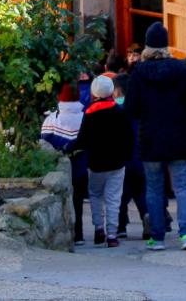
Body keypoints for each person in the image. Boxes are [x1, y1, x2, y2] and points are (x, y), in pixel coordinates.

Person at [125, 22, 186, 251]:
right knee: (182, 187)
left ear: (148, 45)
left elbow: (131, 109)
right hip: (180, 137)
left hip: (150, 138)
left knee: (154, 188)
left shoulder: (138, 73)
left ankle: (157, 237)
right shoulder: (183, 70)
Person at [72, 75, 133, 248]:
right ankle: (112, 234)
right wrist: (126, 156)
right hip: (117, 162)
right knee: (114, 199)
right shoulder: (120, 111)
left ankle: (99, 227)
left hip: (95, 163)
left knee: (95, 195)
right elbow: (129, 138)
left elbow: (83, 139)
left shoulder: (90, 112)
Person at [40, 83, 87, 245]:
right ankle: (79, 234)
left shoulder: (52, 119)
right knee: (78, 200)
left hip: (57, 169)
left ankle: (67, 233)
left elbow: (44, 144)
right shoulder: (85, 117)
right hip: (81, 166)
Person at [113, 74, 150, 240]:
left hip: (121, 159)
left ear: (118, 90)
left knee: (120, 194)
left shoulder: (115, 109)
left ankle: (121, 227)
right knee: (141, 192)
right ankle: (146, 216)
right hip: (141, 158)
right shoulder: (141, 109)